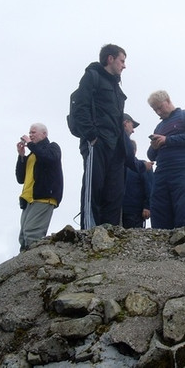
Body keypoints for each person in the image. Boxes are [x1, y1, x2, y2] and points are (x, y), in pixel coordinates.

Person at [73, 44, 128, 229]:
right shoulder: (92, 76)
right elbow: (80, 107)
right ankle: (89, 233)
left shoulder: (116, 86)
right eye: (122, 60)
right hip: (97, 142)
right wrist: (91, 136)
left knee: (114, 192)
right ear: (110, 59)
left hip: (116, 146)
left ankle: (109, 235)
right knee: (93, 188)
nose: (124, 66)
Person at [147, 90, 185, 230]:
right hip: (161, 172)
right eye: (155, 110)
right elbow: (151, 155)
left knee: (184, 209)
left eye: (160, 107)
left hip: (184, 169)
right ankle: (161, 246)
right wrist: (154, 146)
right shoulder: (159, 127)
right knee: (159, 209)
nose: (158, 112)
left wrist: (167, 140)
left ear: (168, 100)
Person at [16, 123, 63, 251]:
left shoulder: (52, 147)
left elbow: (49, 158)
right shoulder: (32, 155)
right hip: (29, 199)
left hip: (44, 197)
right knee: (23, 236)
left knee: (32, 233)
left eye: (33, 132)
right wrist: (21, 156)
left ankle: (32, 264)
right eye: (29, 133)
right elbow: (20, 178)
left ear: (44, 134)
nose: (30, 135)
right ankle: (24, 265)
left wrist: (31, 145)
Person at [122, 139, 153, 228]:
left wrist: (147, 207)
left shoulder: (143, 166)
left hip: (136, 212)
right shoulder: (118, 167)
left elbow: (149, 187)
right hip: (119, 211)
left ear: (134, 151)